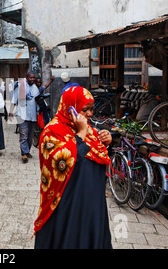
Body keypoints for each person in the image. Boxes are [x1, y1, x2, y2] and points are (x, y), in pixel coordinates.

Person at [34, 86, 113, 249]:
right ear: (70, 108)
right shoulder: (52, 132)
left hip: (91, 206)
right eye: (85, 110)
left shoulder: (90, 131)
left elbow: (99, 157)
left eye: (92, 109)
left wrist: (105, 143)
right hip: (67, 207)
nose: (90, 114)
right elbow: (62, 163)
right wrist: (81, 133)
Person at [9, 71, 40, 163]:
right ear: (26, 78)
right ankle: (24, 154)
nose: (32, 79)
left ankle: (27, 151)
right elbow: (14, 100)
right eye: (30, 78)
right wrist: (11, 112)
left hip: (32, 116)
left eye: (33, 78)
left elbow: (38, 100)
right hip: (22, 114)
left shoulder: (35, 88)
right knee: (23, 135)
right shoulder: (20, 86)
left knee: (30, 136)